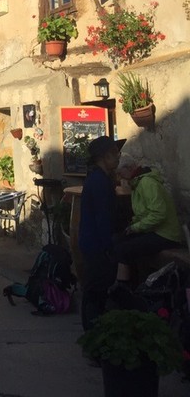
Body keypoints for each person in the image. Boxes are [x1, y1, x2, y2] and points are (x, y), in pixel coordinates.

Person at [113, 155, 183, 285]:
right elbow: (143, 212)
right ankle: (130, 283)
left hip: (166, 234)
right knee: (118, 240)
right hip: (154, 230)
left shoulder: (147, 183)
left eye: (120, 173)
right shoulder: (137, 182)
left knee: (124, 250)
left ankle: (125, 288)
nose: (119, 177)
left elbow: (158, 214)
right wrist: (133, 225)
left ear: (129, 168)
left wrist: (135, 227)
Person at [78, 135, 125, 331]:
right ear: (103, 157)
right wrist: (108, 247)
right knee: (95, 292)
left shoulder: (101, 178)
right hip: (96, 245)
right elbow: (102, 218)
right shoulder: (98, 181)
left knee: (97, 291)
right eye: (114, 154)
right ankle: (93, 336)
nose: (118, 158)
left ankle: (94, 334)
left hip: (94, 243)